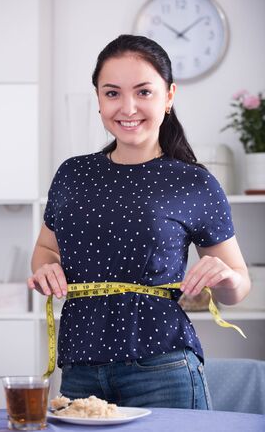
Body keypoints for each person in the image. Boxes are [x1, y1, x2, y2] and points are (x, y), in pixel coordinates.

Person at [28, 34, 251, 409]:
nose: (127, 107)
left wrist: (226, 278)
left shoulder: (194, 181)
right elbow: (47, 248)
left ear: (169, 96)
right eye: (112, 93)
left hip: (163, 369)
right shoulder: (72, 174)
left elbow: (237, 287)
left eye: (144, 92)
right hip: (80, 369)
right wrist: (47, 268)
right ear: (98, 100)